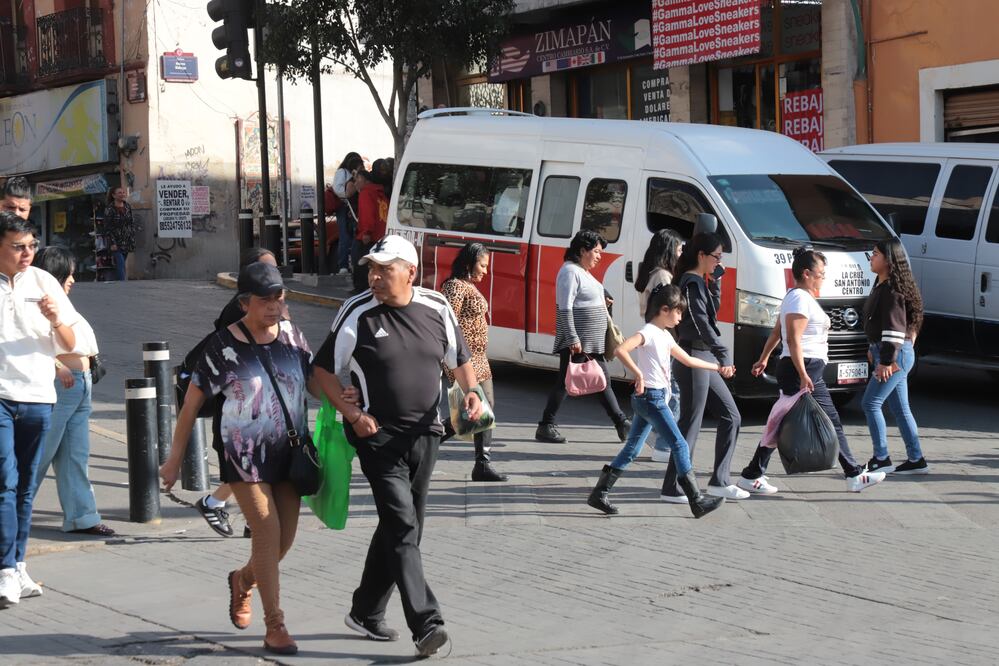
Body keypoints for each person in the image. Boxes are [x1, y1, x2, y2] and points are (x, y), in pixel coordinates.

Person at [312, 235, 482, 658]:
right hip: (378, 438)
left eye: (384, 269)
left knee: (405, 527)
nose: (374, 277)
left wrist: (472, 392)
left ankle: (366, 610)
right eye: (372, 269)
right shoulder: (357, 311)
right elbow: (320, 373)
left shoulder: (437, 308)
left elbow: (460, 358)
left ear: (410, 271)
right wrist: (352, 415)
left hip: (428, 433)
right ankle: (427, 623)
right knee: (403, 528)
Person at [160, 262, 315, 655]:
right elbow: (191, 404)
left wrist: (347, 404)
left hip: (289, 451)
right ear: (245, 302)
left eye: (279, 296)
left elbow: (311, 379)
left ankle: (242, 580)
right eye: (265, 299)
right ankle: (275, 625)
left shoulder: (293, 336)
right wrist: (174, 460)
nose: (275, 305)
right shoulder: (223, 347)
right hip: (244, 454)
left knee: (283, 542)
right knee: (266, 530)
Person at [737, 248, 887, 494]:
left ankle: (752, 474)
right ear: (806, 274)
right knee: (828, 420)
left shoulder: (796, 297)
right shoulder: (798, 299)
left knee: (781, 420)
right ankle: (853, 475)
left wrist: (764, 358)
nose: (823, 278)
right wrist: (804, 374)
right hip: (802, 369)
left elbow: (778, 333)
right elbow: (793, 339)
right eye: (821, 273)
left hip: (802, 369)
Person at [588, 284, 724, 518]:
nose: (680, 318)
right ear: (664, 309)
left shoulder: (664, 335)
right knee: (680, 445)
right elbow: (621, 349)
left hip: (648, 399)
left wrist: (718, 368)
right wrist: (638, 374)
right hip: (652, 398)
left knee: (632, 449)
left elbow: (689, 360)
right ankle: (696, 500)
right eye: (678, 312)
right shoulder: (649, 332)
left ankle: (599, 493)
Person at [0, 211, 79, 608]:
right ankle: (5, 570)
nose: (27, 253)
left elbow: (67, 342)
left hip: (37, 396)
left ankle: (17, 563)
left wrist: (53, 319)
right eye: (18, 247)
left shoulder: (45, 282)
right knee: (4, 481)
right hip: (0, 394)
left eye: (31, 245)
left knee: (27, 487)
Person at [194, 247, 283, 538]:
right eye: (267, 269)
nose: (275, 274)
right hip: (240, 408)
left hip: (265, 407)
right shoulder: (239, 312)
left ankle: (233, 511)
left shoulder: (273, 306)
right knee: (248, 464)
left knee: (256, 464)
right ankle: (227, 508)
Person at [32, 247, 115, 537]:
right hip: (60, 385)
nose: (72, 279)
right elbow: (28, 342)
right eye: (68, 273)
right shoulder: (38, 302)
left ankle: (82, 516)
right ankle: (13, 513)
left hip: (80, 384)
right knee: (39, 454)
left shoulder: (62, 304)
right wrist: (56, 366)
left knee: (74, 455)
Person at [659, 233, 748, 502]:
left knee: (730, 416)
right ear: (701, 255)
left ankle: (720, 481)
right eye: (716, 257)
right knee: (690, 423)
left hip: (702, 357)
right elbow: (699, 324)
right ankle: (672, 486)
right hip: (694, 355)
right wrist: (724, 355)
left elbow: (710, 313)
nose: (719, 261)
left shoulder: (698, 282)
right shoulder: (691, 281)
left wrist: (717, 282)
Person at [536, 230, 631, 444]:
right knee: (580, 381)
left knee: (588, 381)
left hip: (589, 341)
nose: (599, 256)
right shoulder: (570, 272)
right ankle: (620, 422)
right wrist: (572, 338)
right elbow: (565, 307)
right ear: (582, 250)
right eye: (596, 251)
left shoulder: (582, 272)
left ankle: (620, 422)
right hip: (579, 341)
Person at [440, 243, 507, 482]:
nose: (485, 271)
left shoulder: (468, 286)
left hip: (480, 358)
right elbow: (448, 324)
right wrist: (450, 361)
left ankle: (481, 462)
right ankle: (482, 463)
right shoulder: (455, 287)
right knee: (481, 408)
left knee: (482, 408)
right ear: (469, 264)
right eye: (482, 265)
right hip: (464, 359)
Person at [862, 238, 928, 475]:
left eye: (876, 254)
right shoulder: (883, 285)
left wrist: (886, 361)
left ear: (889, 260)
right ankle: (916, 459)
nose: (872, 257)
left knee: (870, 403)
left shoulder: (891, 290)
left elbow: (893, 329)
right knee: (901, 409)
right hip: (892, 352)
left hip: (893, 355)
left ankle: (881, 458)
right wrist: (873, 348)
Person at [635, 228, 684, 462]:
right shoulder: (663, 276)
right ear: (669, 249)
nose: (681, 251)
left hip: (655, 338)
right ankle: (664, 446)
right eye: (679, 247)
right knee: (671, 392)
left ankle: (649, 442)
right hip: (663, 339)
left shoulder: (652, 272)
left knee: (659, 392)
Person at [350, 169, 389, 295]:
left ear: (365, 180)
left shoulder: (366, 193)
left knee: (359, 261)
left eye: (357, 180)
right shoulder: (380, 192)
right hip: (381, 234)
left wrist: (366, 231)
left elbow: (367, 213)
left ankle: (361, 289)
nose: (355, 183)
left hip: (369, 235)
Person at [332, 152, 363, 275]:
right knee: (345, 235)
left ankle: (352, 264)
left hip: (354, 207)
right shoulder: (342, 172)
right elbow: (338, 189)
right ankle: (343, 265)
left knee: (355, 235)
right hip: (345, 207)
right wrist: (350, 192)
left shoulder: (354, 174)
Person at [103, 186, 135, 281]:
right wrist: (112, 243)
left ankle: (116, 282)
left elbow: (131, 223)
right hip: (115, 241)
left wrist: (132, 238)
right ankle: (122, 284)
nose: (122, 194)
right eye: (119, 193)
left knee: (121, 263)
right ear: (113, 195)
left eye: (123, 192)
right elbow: (108, 228)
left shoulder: (127, 206)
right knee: (120, 263)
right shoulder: (110, 209)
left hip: (127, 240)